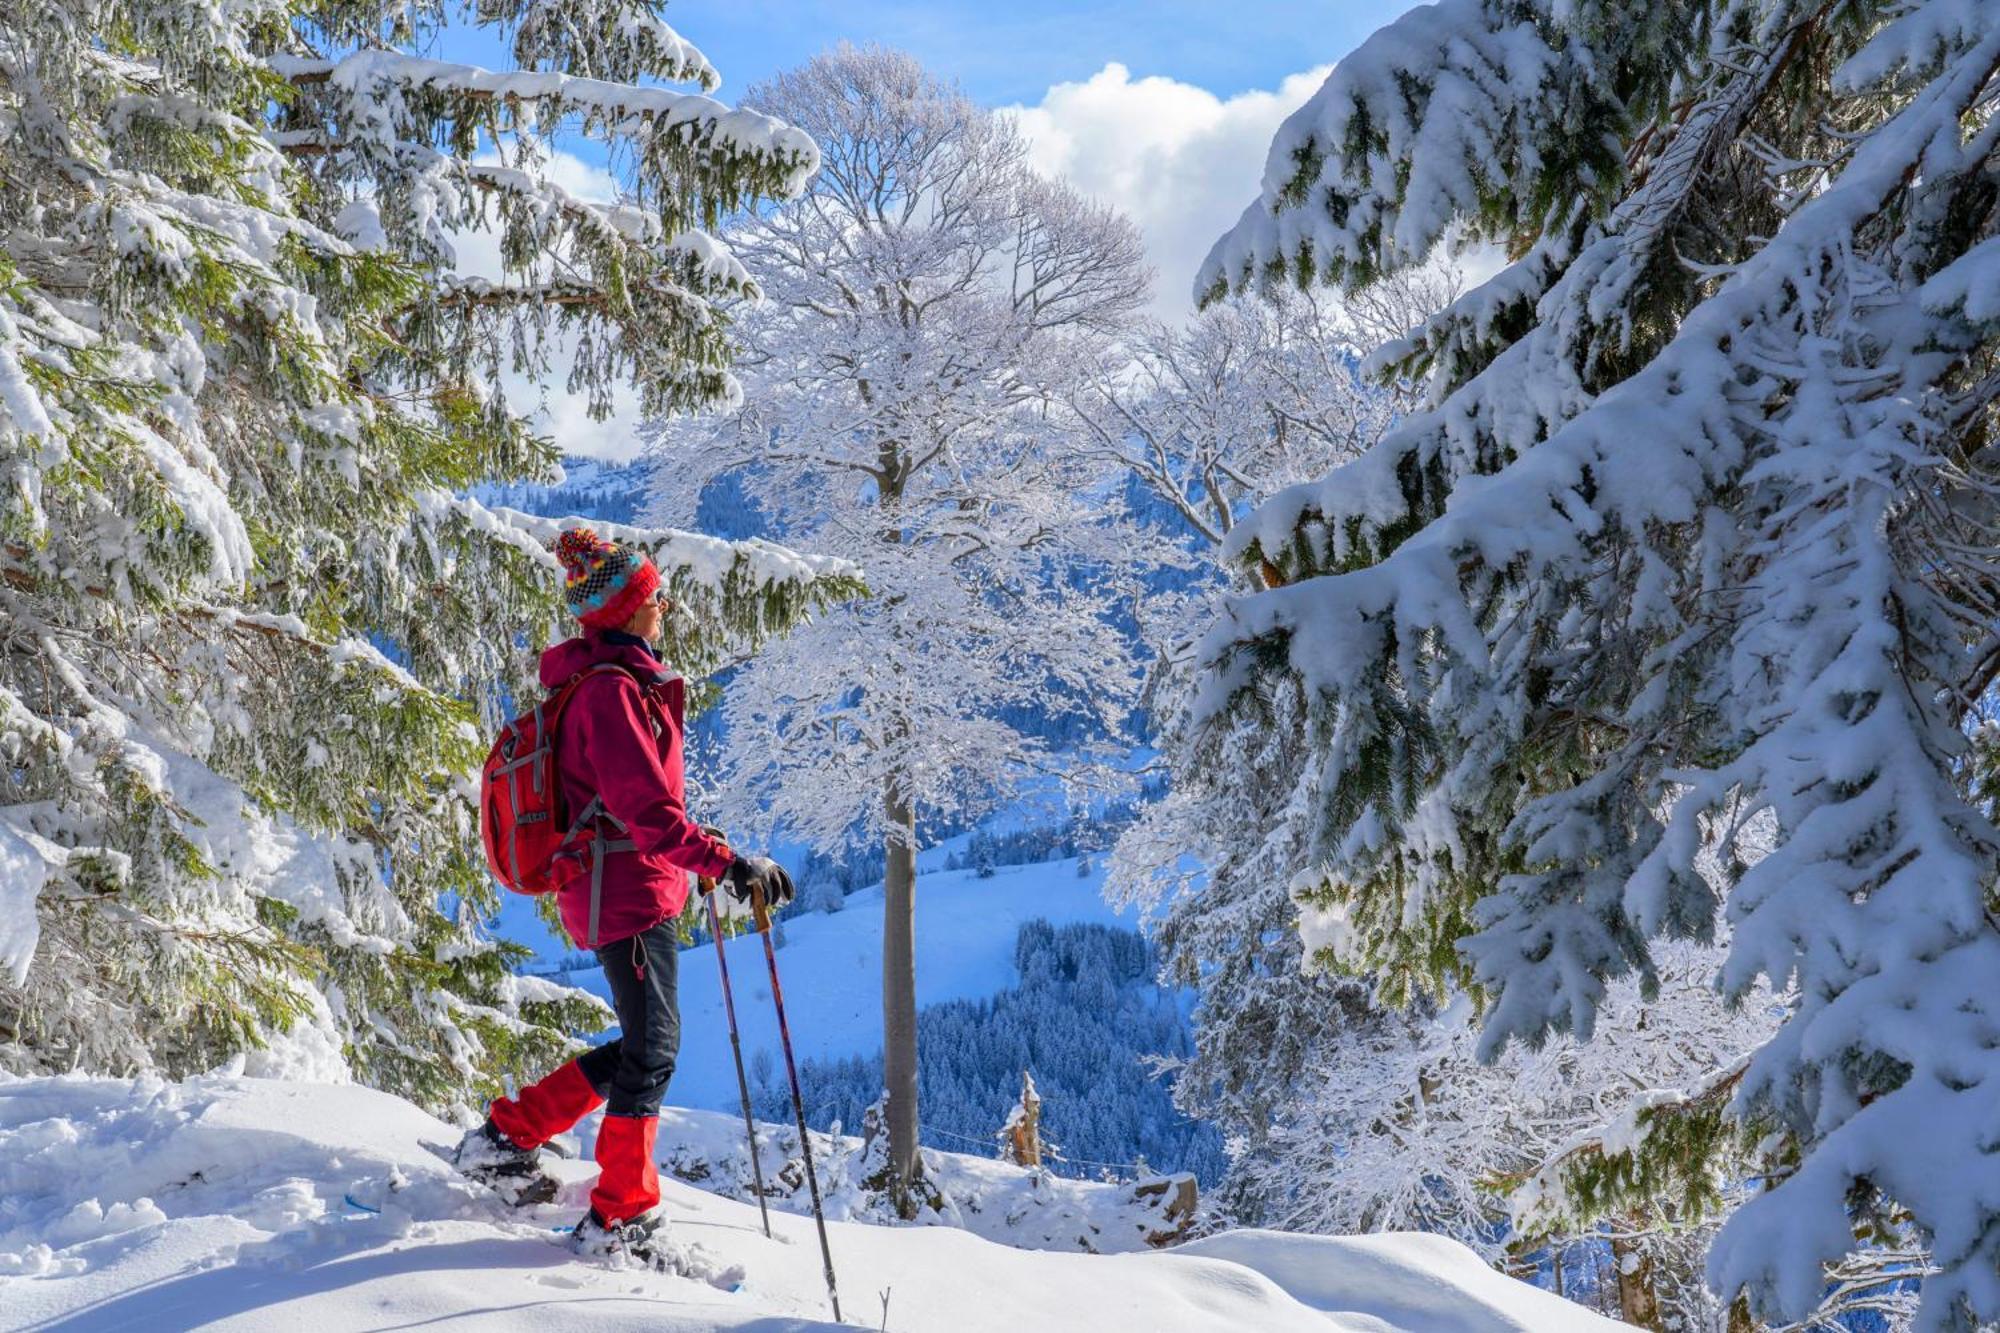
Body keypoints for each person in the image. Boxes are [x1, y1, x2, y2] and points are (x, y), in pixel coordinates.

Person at [455, 527, 796, 1263]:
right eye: (653, 595)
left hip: (626, 888)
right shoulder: (611, 693)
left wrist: (711, 857)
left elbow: (636, 804)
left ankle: (512, 1134)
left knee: (647, 1044)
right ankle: (620, 1211)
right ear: (627, 609)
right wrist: (726, 863)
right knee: (654, 1049)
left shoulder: (614, 683)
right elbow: (646, 815)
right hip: (626, 897)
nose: (665, 604)